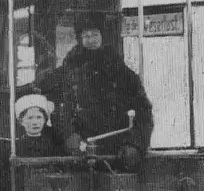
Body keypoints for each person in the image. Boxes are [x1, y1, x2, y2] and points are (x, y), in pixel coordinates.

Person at [38, 15, 154, 170]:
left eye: (95, 34)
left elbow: (143, 111)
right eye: (86, 36)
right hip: (79, 153)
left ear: (102, 36)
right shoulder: (65, 73)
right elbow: (55, 108)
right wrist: (68, 136)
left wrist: (136, 145)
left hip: (118, 154)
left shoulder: (124, 74)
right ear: (79, 39)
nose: (90, 39)